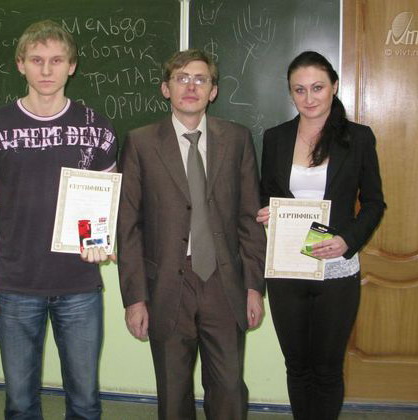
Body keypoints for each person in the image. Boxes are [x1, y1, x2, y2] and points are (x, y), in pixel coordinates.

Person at [0, 20, 117, 420]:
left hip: (79, 284)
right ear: (20, 64)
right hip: (15, 285)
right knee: (19, 402)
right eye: (36, 60)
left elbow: (103, 200)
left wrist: (99, 240)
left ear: (72, 66)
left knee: (85, 402)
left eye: (56, 60)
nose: (46, 70)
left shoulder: (97, 127)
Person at [117, 49, 267, 420]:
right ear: (165, 88)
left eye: (201, 79)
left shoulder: (237, 139)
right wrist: (135, 297)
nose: (191, 87)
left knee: (229, 387)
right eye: (181, 78)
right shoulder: (140, 142)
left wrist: (254, 286)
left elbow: (249, 218)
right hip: (167, 285)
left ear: (213, 91)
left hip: (224, 283)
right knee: (173, 391)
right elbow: (128, 226)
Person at [256, 51, 386, 419]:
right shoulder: (275, 137)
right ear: (290, 93)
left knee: (327, 369)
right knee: (297, 366)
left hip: (336, 268)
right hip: (287, 268)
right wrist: (267, 212)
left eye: (317, 87)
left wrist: (348, 241)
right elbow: (267, 193)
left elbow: (374, 203)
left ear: (334, 87)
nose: (309, 97)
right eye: (299, 90)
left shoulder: (358, 138)